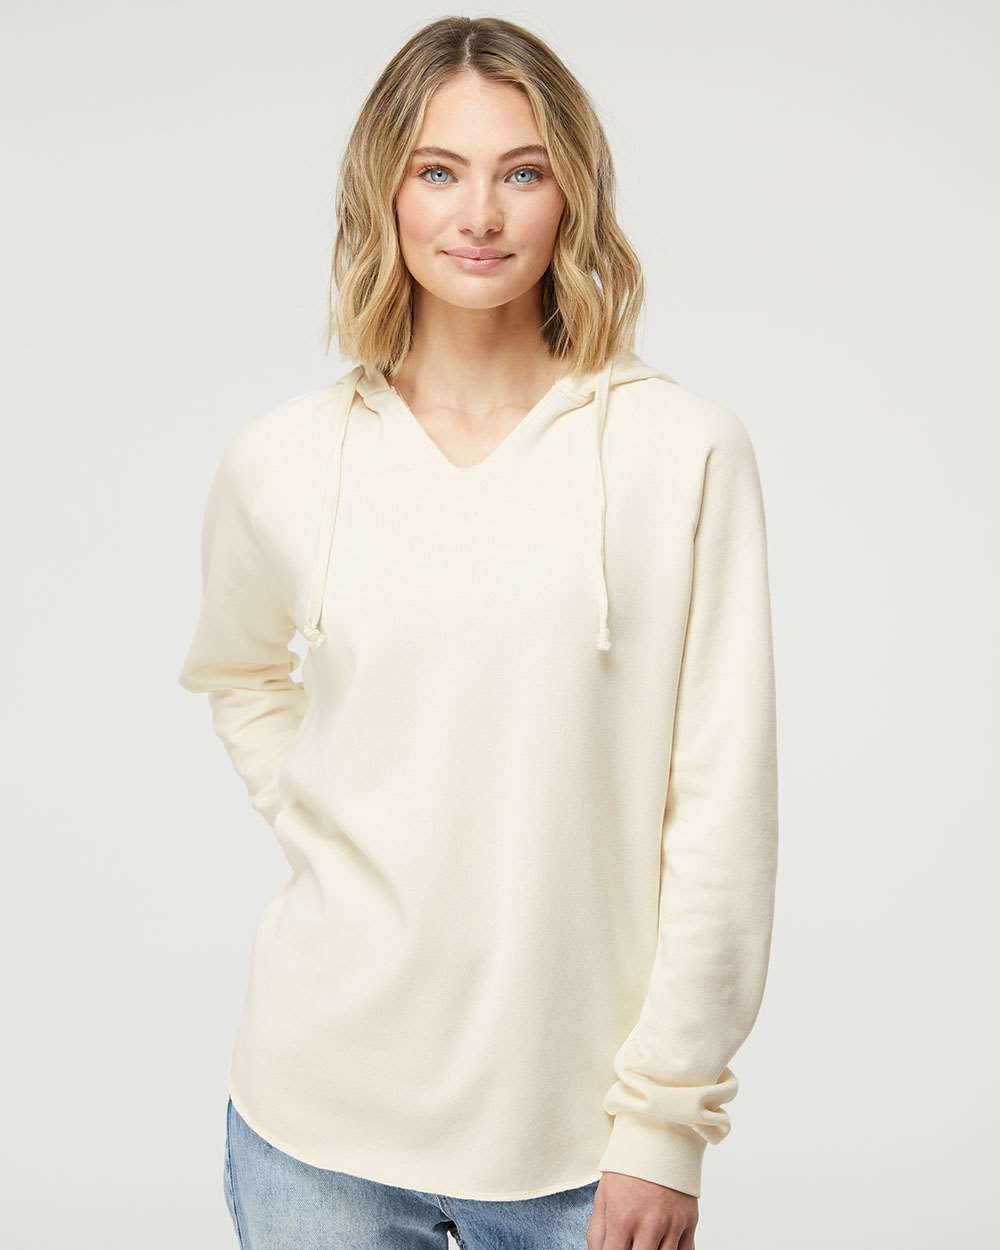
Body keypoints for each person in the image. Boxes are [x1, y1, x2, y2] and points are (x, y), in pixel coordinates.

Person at [177, 15, 779, 1250]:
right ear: (385, 191)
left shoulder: (679, 453)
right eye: (439, 171)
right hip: (315, 1116)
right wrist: (319, 807)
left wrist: (664, 1121)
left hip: (580, 1142)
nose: (481, 215)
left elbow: (722, 805)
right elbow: (237, 667)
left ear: (572, 194)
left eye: (523, 171)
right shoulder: (286, 460)